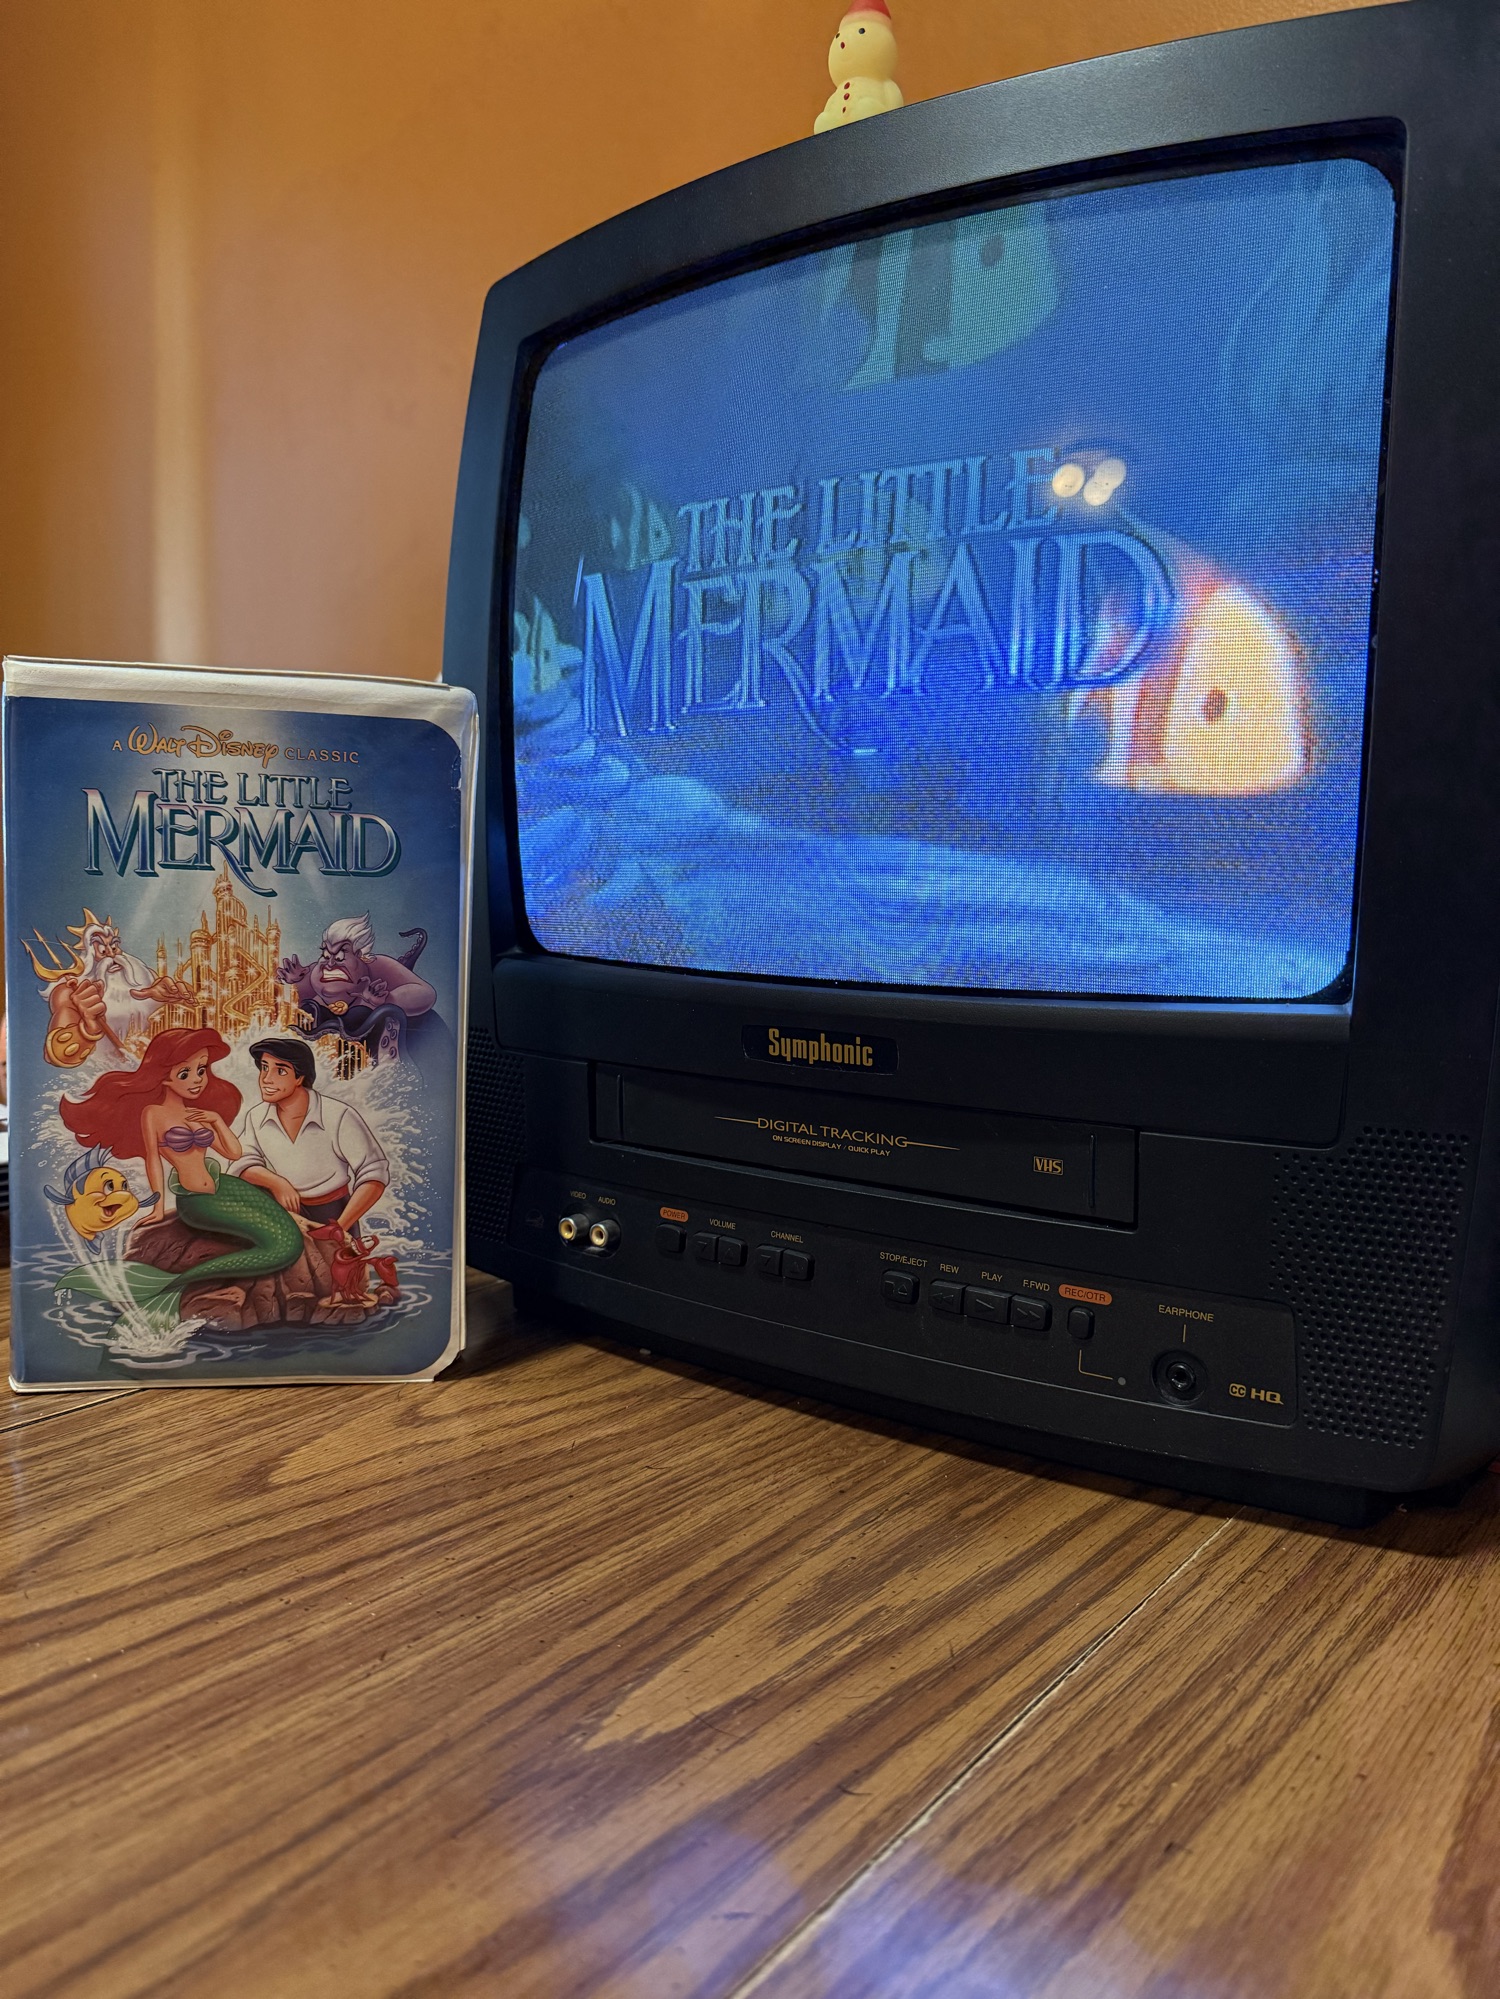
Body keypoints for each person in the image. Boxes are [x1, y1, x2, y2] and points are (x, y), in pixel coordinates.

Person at [54, 1028, 305, 1311]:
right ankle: (181, 1281)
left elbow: (233, 1153)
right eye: (185, 1073)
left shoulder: (198, 1112)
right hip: (197, 1201)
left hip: (223, 1185)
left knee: (291, 1239)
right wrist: (157, 1208)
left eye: (201, 1070)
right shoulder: (154, 1114)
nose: (197, 1080)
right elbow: (152, 1160)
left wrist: (216, 1121)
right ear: (164, 1076)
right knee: (282, 1249)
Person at [232, 1038, 390, 1236]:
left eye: (280, 1071)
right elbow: (242, 1161)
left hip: (334, 1214)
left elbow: (374, 1175)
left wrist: (339, 1228)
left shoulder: (338, 1115)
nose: (266, 1079)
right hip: (285, 1213)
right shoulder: (256, 1116)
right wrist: (277, 1183)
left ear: (300, 1078)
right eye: (264, 1067)